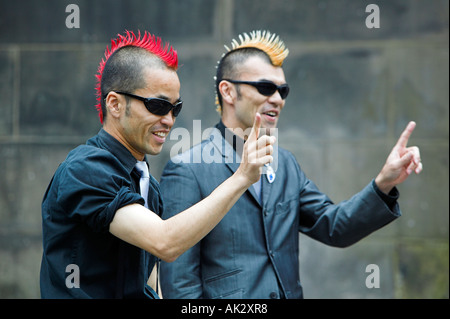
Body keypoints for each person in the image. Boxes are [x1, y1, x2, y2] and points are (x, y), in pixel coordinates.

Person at [159, 30, 423, 299]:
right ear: (228, 91)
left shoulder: (285, 164)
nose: (277, 99)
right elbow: (179, 287)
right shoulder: (187, 168)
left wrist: (384, 183)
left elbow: (334, 227)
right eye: (265, 87)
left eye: (283, 90)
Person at [39, 30, 275, 299]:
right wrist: (242, 177)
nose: (169, 120)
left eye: (175, 108)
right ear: (115, 104)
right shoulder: (84, 169)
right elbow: (164, 242)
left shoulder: (145, 182)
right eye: (158, 105)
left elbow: (146, 278)